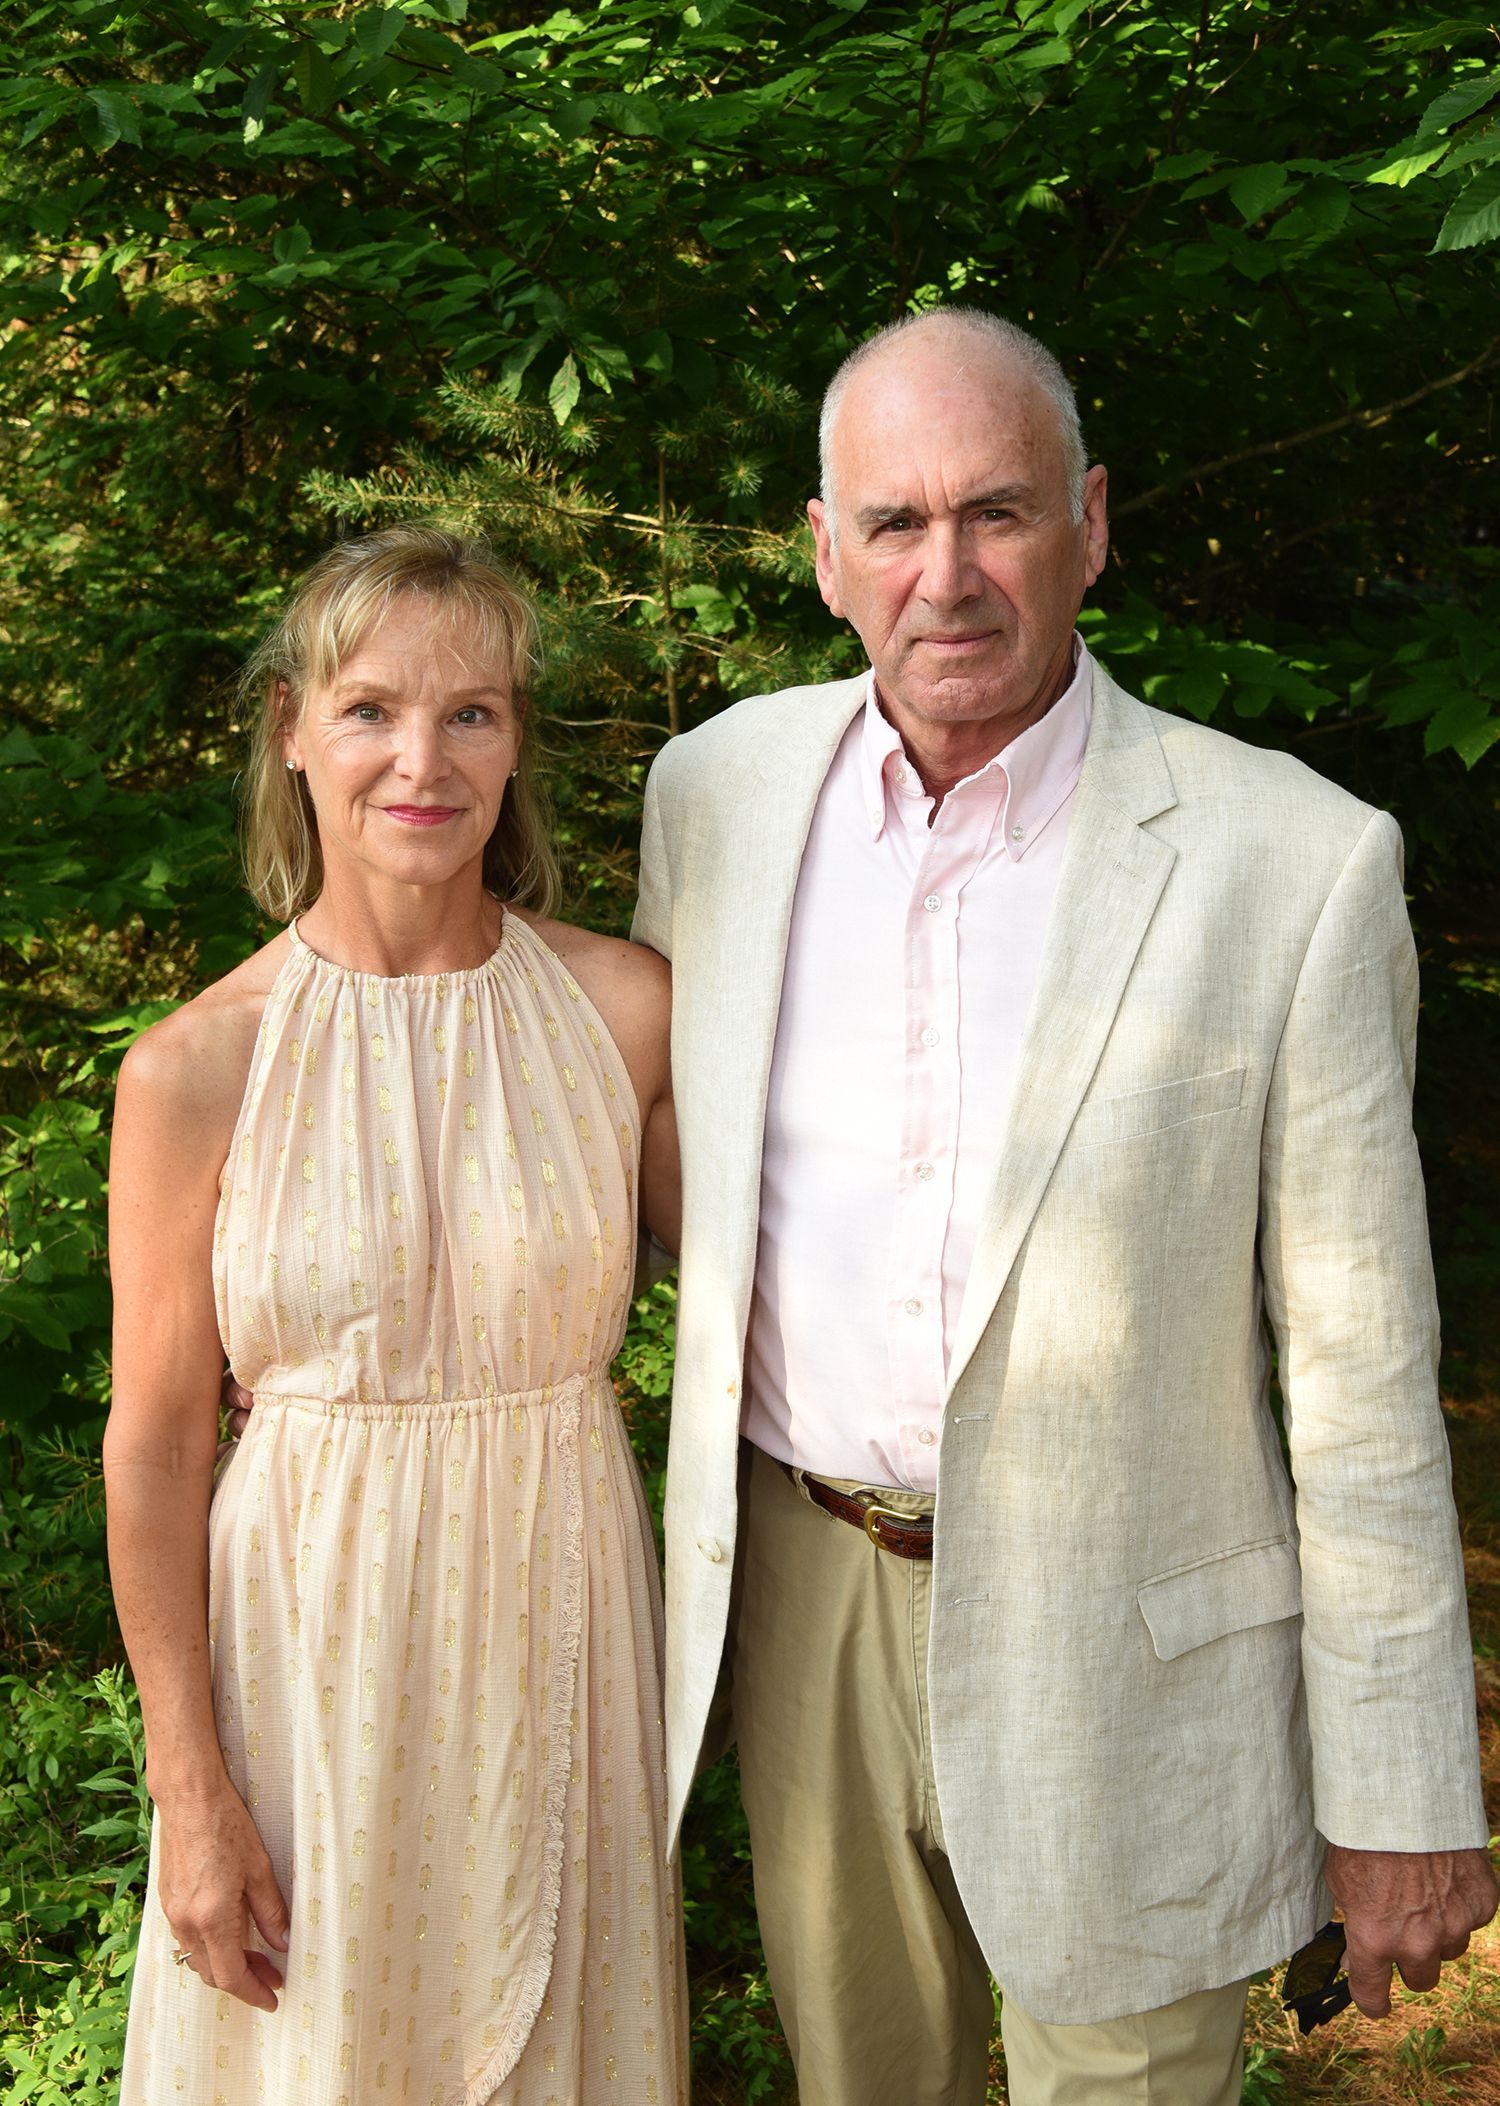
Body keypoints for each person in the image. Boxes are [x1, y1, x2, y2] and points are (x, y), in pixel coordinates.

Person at [631, 308, 1496, 2106]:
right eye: (894, 523)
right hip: (811, 1603)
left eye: (998, 512)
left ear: (1091, 523)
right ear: (821, 552)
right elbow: (643, 1177)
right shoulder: (713, 795)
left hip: (1131, 1648)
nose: (945, 574)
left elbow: (1360, 1372)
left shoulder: (1295, 859)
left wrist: (1404, 1791)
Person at [106, 525, 688, 2106]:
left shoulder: (623, 1015)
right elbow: (155, 1448)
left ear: (516, 744)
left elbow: (790, 1296)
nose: (420, 760)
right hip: (303, 1658)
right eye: (369, 708)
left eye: (472, 712)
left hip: (555, 1627)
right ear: (292, 727)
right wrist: (190, 1789)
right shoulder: (193, 1070)